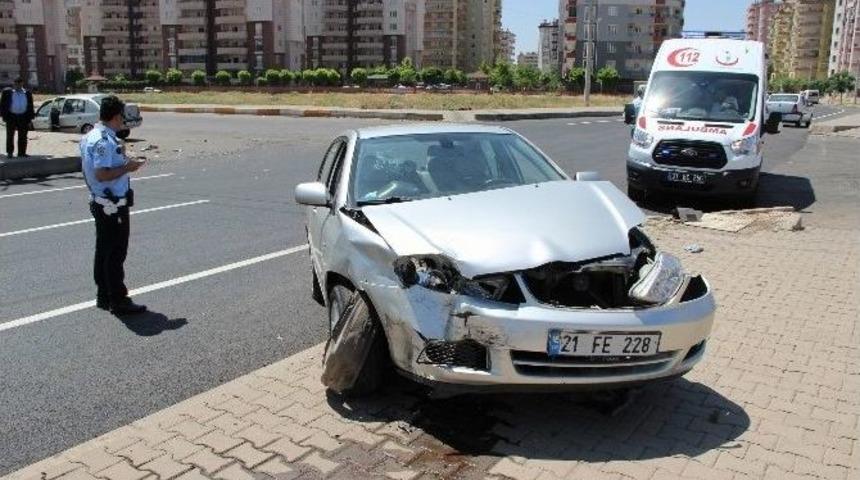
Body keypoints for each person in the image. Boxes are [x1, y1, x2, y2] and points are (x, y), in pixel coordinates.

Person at [80, 95, 147, 315]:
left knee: (103, 249)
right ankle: (118, 299)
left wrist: (123, 160)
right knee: (116, 252)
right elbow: (102, 173)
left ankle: (104, 295)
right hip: (112, 203)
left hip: (100, 200)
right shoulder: (104, 141)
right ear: (117, 116)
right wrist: (129, 168)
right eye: (122, 118)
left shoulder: (91, 135)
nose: (123, 122)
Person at [0, 77, 35, 158]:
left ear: (22, 84)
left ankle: (22, 153)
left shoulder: (27, 93)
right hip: (11, 116)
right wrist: (4, 116)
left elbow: (30, 106)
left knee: (23, 136)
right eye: (16, 84)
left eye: (20, 84)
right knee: (10, 135)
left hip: (23, 117)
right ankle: (10, 152)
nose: (18, 86)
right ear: (14, 84)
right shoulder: (7, 92)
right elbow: (2, 105)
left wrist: (30, 118)